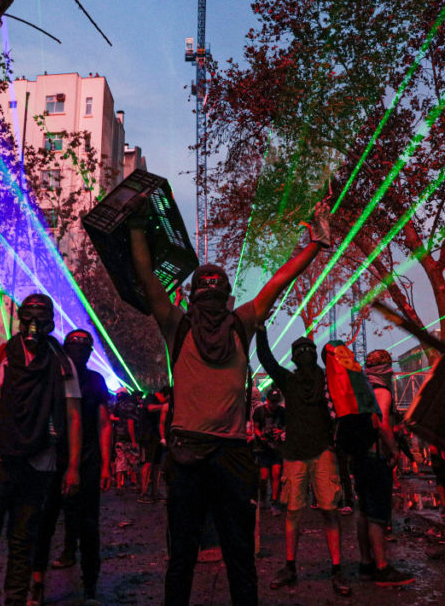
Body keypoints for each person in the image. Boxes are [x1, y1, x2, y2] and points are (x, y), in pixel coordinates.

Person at [129, 196, 330, 606]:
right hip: (225, 457)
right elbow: (280, 280)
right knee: (233, 556)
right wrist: (314, 244)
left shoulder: (178, 326)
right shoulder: (237, 321)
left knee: (187, 557)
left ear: (192, 297)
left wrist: (135, 229)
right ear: (226, 294)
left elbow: (148, 280)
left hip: (195, 453)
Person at [0, 294, 82, 606]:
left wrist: (73, 466)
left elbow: (75, 418)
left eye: (40, 318)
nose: (34, 325)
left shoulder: (62, 363)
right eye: (29, 317)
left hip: (38, 462)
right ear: (21, 319)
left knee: (24, 542)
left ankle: (15, 599)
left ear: (50, 322)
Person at [255, 331, 351, 595]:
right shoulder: (297, 380)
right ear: (297, 358)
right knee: (300, 511)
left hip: (316, 453)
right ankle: (295, 567)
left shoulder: (317, 379)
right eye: (301, 351)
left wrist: (260, 328)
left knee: (325, 510)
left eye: (308, 350)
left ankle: (333, 568)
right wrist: (261, 328)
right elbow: (266, 359)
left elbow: (267, 359)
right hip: (302, 454)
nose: (304, 354)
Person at [31, 329, 113, 606]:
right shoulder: (53, 376)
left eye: (83, 348)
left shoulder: (94, 380)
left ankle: (90, 587)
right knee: (45, 523)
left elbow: (103, 424)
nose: (79, 353)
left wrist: (104, 465)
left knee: (88, 526)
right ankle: (38, 581)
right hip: (52, 462)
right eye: (74, 347)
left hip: (86, 462)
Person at [349, 348, 415, 586]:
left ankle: (365, 563)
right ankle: (382, 568)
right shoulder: (382, 391)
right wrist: (395, 451)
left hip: (360, 457)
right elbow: (381, 422)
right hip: (376, 458)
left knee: (364, 512)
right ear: (387, 368)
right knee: (377, 515)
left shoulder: (361, 390)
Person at [251, 388, 285, 516]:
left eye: (276, 402)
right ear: (268, 401)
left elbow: (286, 426)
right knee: (264, 477)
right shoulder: (259, 411)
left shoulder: (282, 412)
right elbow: (256, 428)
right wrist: (261, 436)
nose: (274, 405)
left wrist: (280, 432)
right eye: (272, 402)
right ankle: (264, 497)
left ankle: (275, 502)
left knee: (276, 474)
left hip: (276, 447)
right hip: (263, 447)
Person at [138, 388, 169, 503]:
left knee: (157, 464)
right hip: (148, 436)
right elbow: (150, 408)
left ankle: (154, 492)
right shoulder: (151, 397)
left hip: (157, 436)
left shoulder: (159, 401)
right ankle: (144, 492)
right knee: (148, 463)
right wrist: (164, 406)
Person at [110, 390, 139, 491]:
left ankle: (119, 485)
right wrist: (134, 440)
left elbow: (111, 417)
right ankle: (133, 482)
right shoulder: (132, 406)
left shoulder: (118, 406)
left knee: (120, 460)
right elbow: (131, 423)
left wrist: (120, 419)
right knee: (133, 460)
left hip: (119, 435)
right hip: (129, 437)